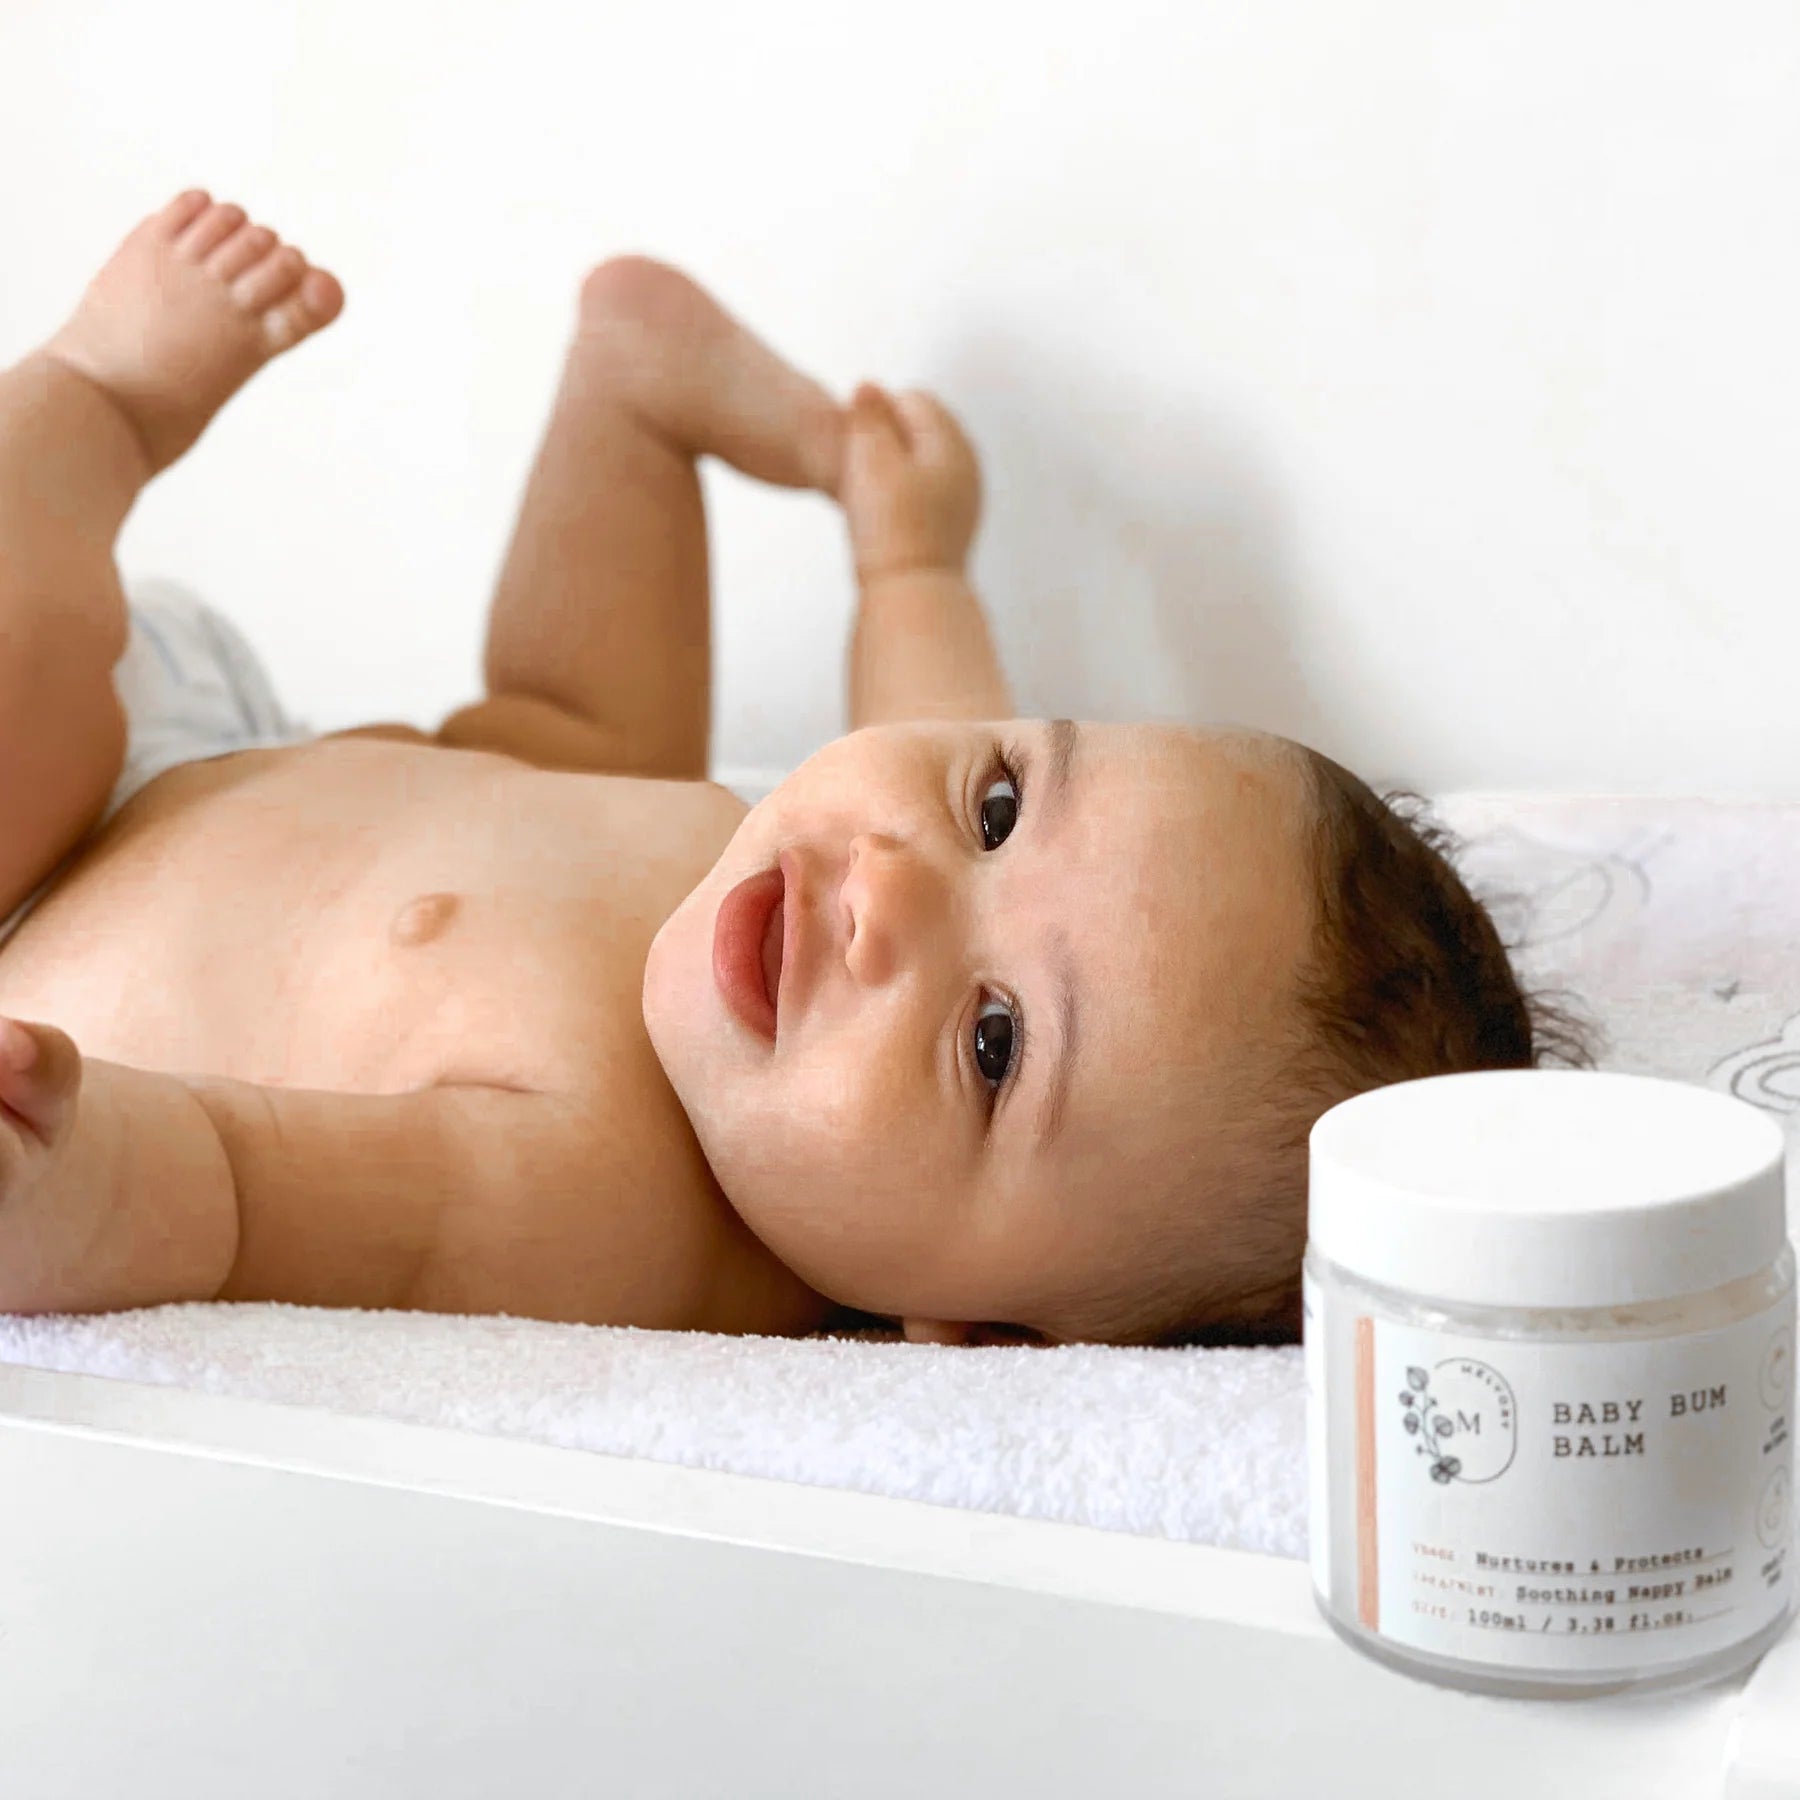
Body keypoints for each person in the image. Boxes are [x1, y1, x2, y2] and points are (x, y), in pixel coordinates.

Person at [0, 192, 1594, 1347]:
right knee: (573, 731)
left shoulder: (601, 1206)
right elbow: (947, 708)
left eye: (990, 1045)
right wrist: (910, 564)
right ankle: (631, 396)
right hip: (238, 759)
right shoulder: (801, 901)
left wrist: (67, 1184)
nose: (893, 891)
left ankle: (96, 399)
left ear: (971, 1332)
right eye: (997, 807)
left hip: (40, 912)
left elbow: (242, 1182)